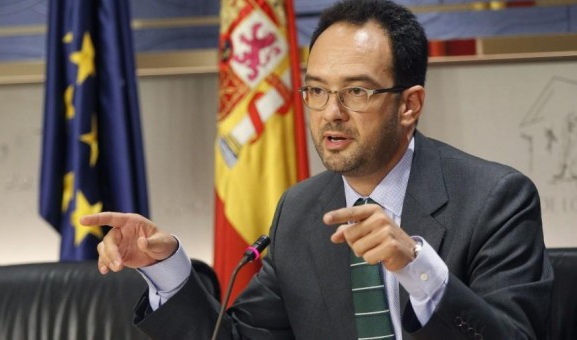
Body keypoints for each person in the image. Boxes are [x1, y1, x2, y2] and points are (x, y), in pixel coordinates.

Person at [80, 0, 554, 338]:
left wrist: (417, 267)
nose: (331, 112)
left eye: (357, 91)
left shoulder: (496, 199)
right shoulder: (301, 210)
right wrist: (167, 270)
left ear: (409, 105)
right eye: (317, 90)